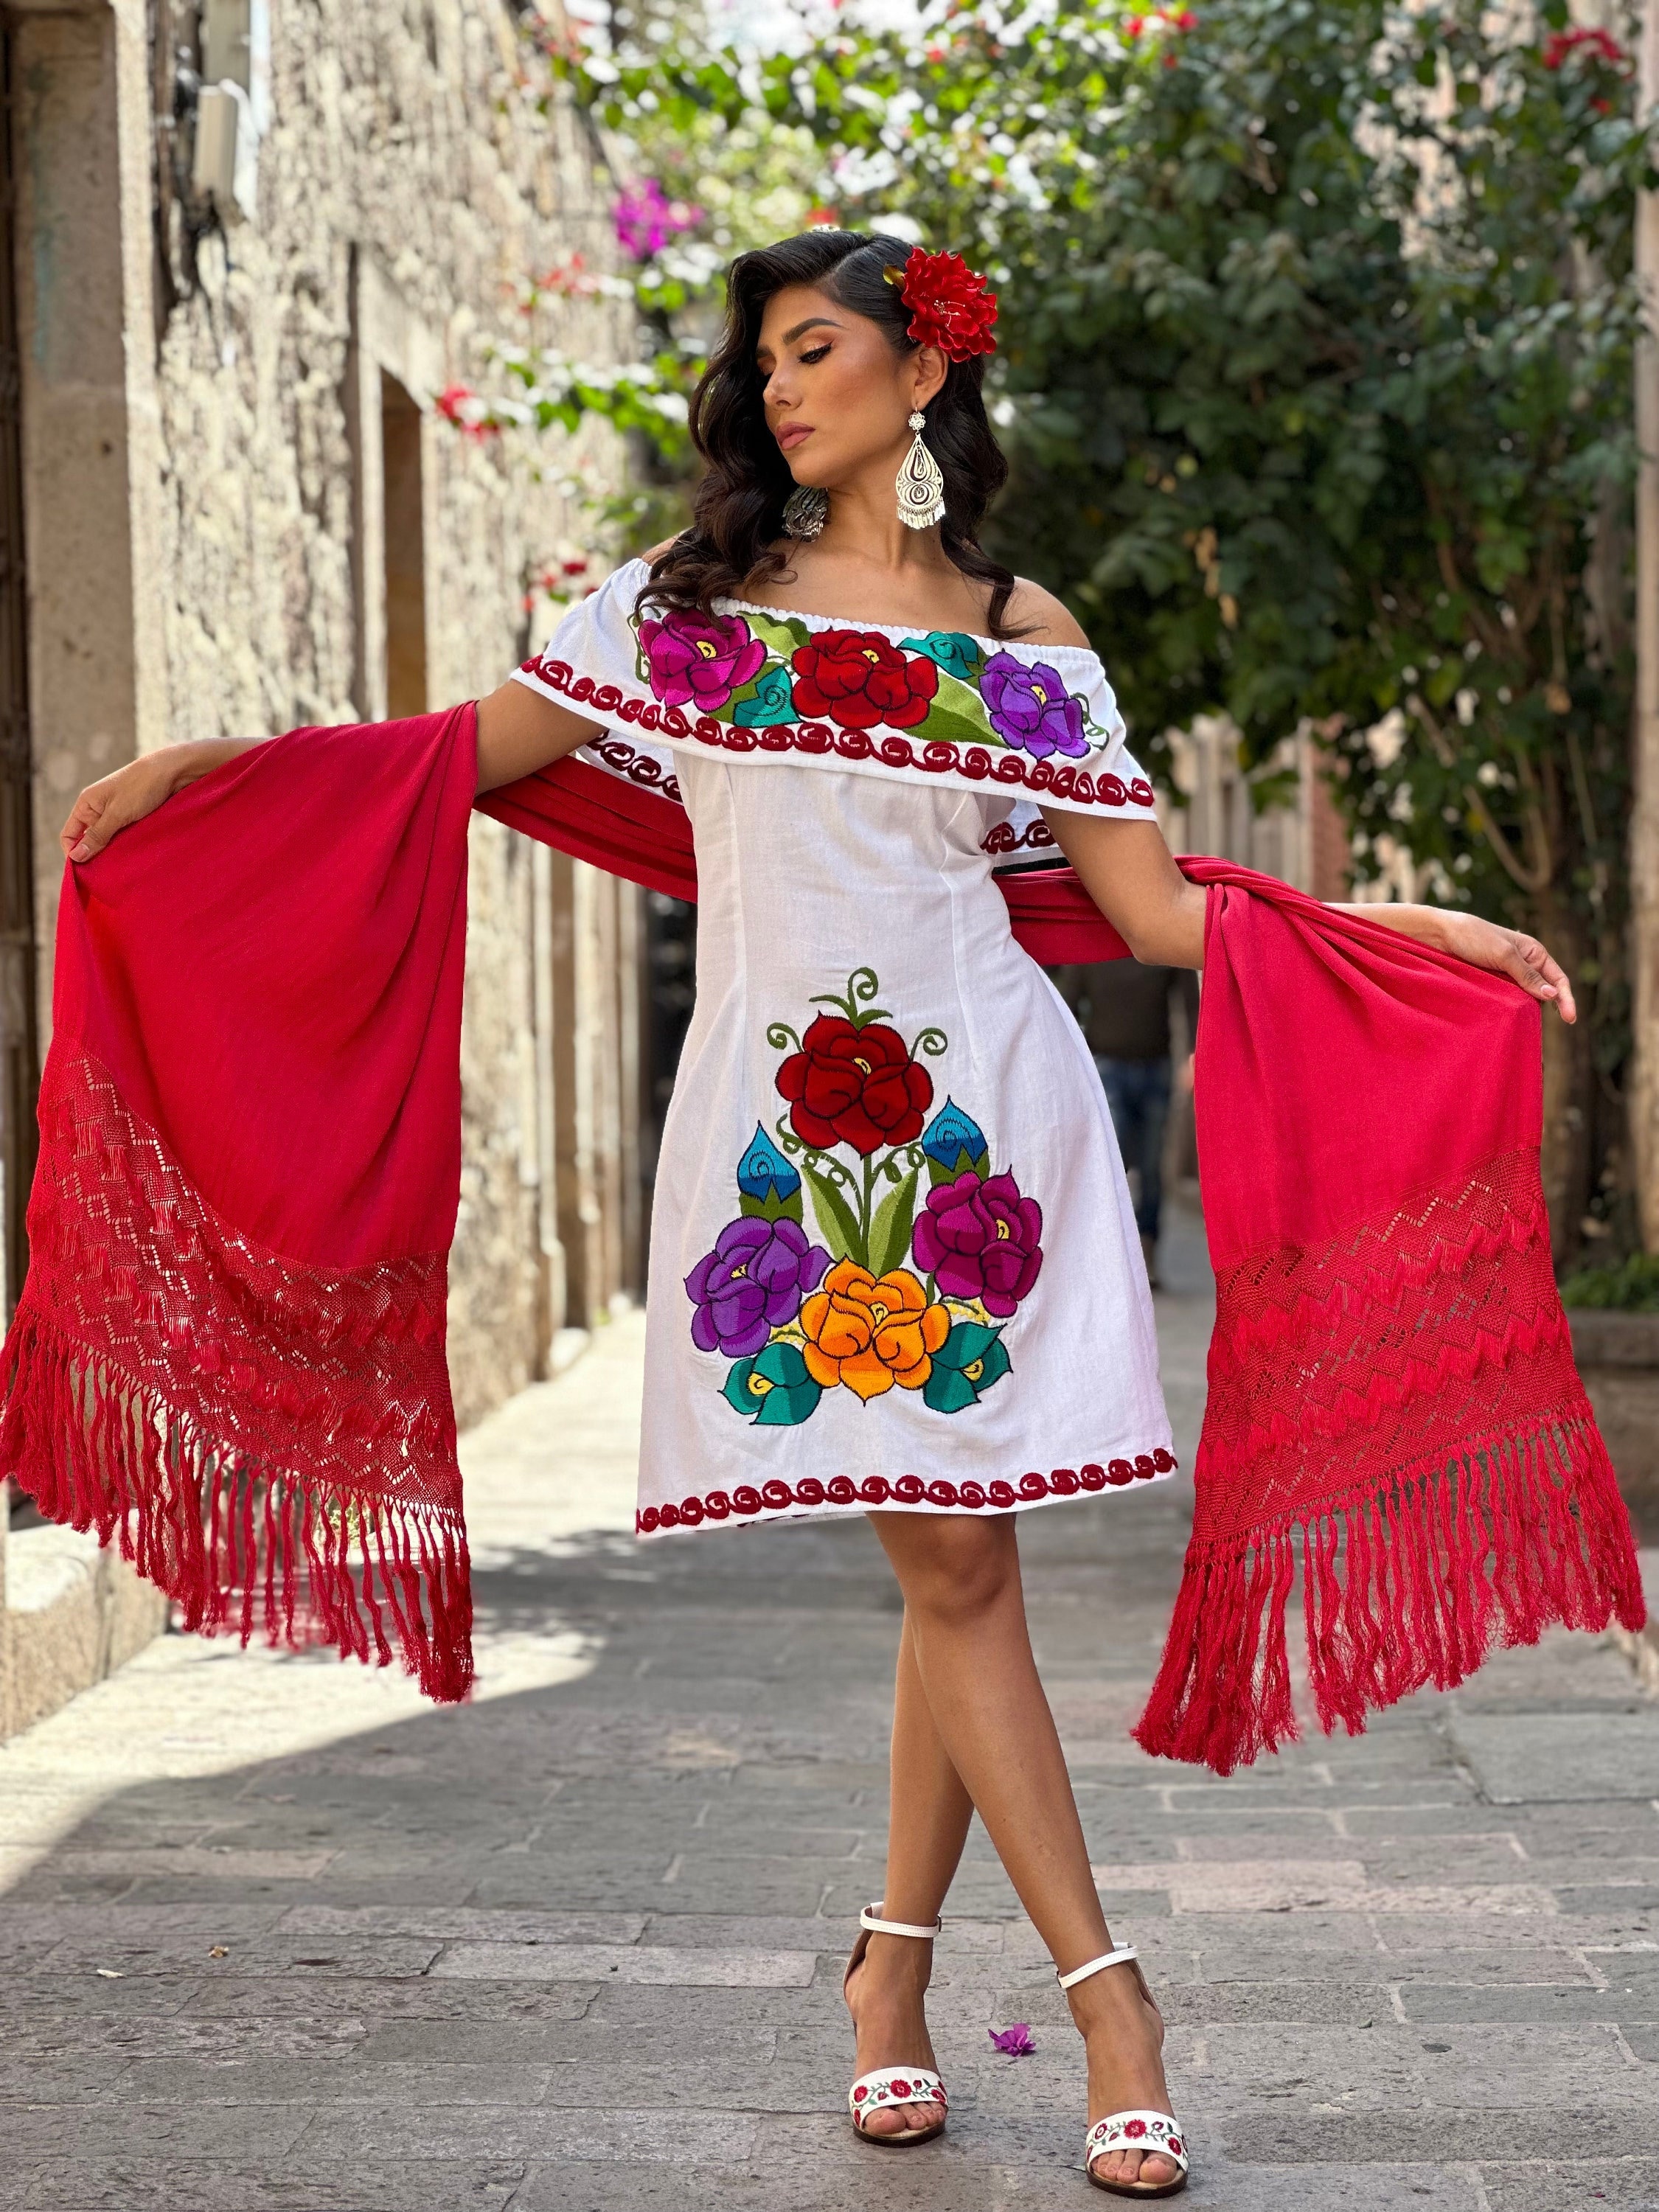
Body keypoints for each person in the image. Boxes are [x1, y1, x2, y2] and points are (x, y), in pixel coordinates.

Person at [57, 229, 1575, 2199]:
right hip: (787, 1149)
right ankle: (1084, 1992)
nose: (779, 388)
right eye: (763, 359)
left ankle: (928, 1979)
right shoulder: (691, 615)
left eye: (815, 349)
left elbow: (1156, 919)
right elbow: (455, 768)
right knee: (953, 1567)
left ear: (916, 376)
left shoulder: (1022, 635)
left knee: (953, 1569)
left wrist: (1408, 926)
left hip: (987, 1138)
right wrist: (223, 772)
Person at [1060, 961, 1198, 1288]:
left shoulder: (1157, 933)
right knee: (1110, 1166)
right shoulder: (1090, 940)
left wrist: (1195, 1052)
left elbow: (1190, 1000)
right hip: (1106, 1068)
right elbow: (1067, 1002)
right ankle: (1110, 1256)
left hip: (1156, 1066)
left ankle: (1147, 1252)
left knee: (1151, 1168)